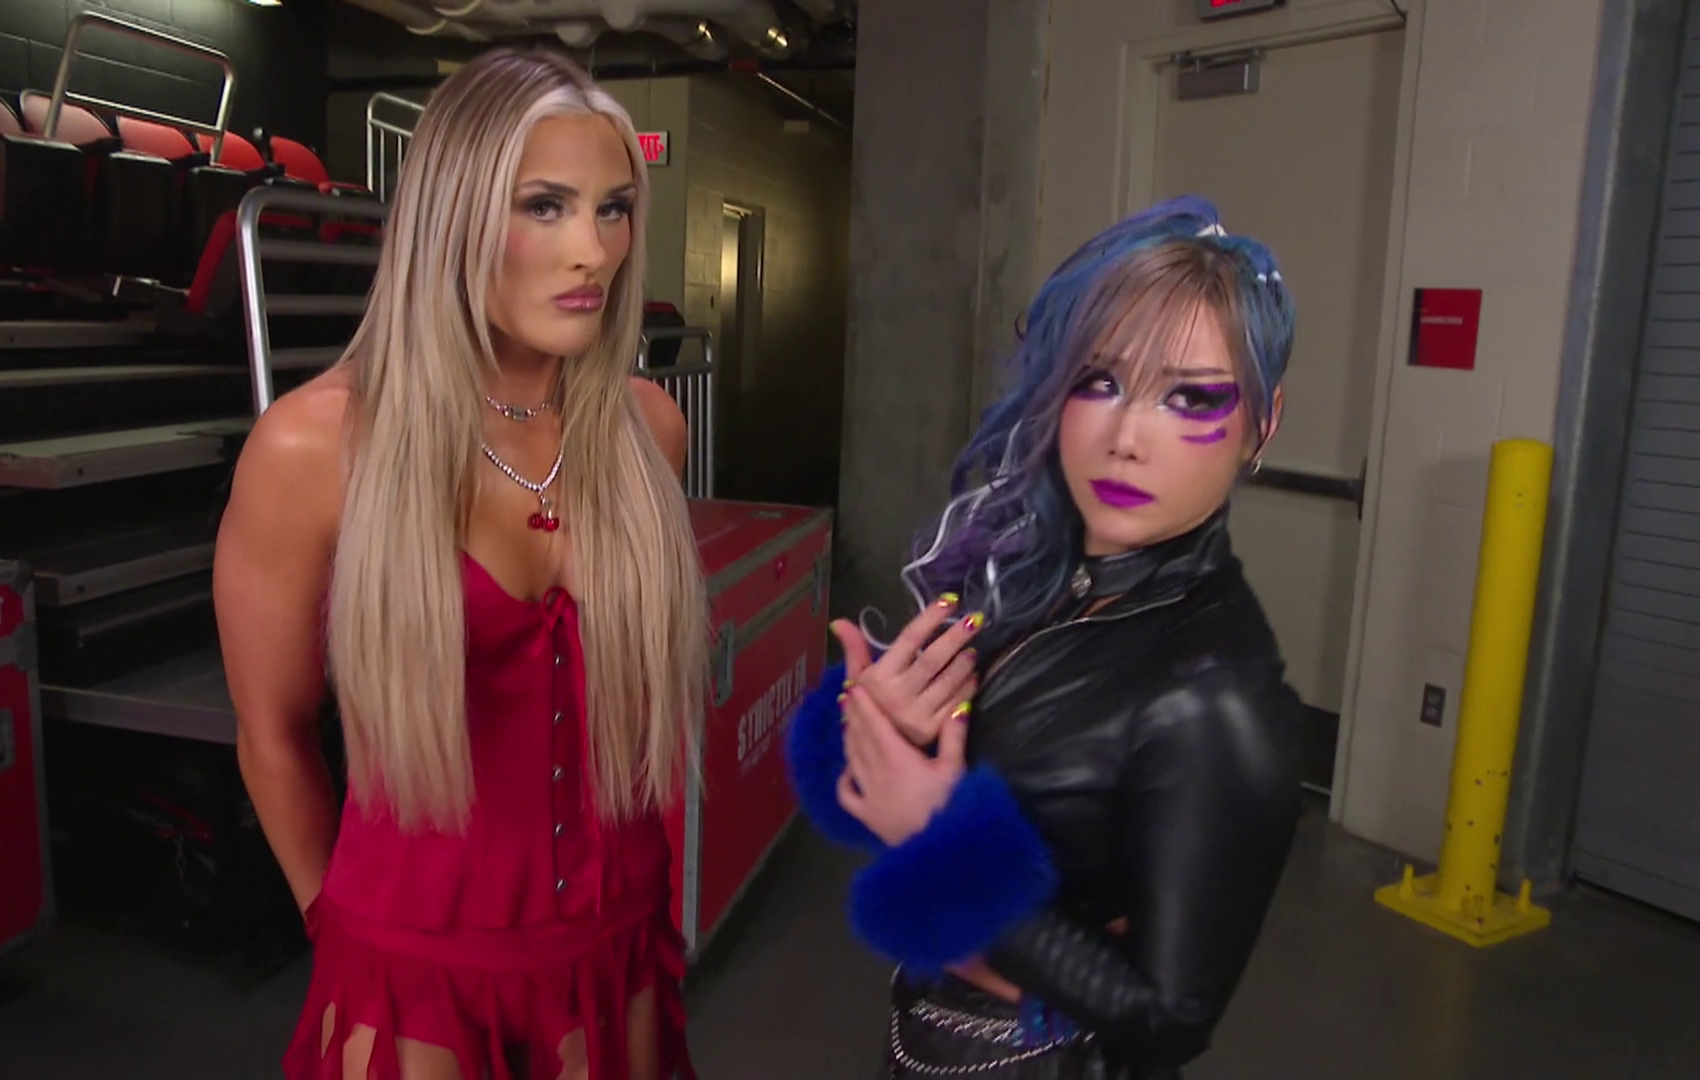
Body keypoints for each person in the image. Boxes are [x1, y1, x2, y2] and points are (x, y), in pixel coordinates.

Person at [213, 48, 708, 1080]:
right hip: (410, 961)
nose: (593, 251)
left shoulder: (646, 431)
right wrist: (339, 930)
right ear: (453, 216)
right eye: (545, 206)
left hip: (615, 941)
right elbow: (273, 732)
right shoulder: (316, 447)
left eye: (614, 210)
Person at [786, 196, 1304, 1079]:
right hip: (930, 1042)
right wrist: (881, 728)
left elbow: (1166, 1021)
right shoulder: (1031, 577)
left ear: (1263, 422)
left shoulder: (1220, 692)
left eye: (1190, 396)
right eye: (1099, 380)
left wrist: (944, 839)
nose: (1126, 438)